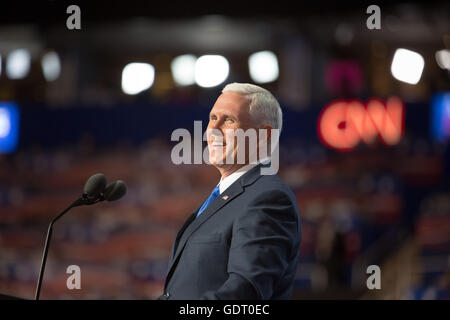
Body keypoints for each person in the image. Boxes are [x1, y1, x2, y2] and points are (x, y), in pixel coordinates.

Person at [158, 83, 301, 300]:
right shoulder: (227, 196)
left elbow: (244, 294)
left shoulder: (268, 199)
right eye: (213, 118)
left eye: (229, 120)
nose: (212, 130)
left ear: (263, 136)